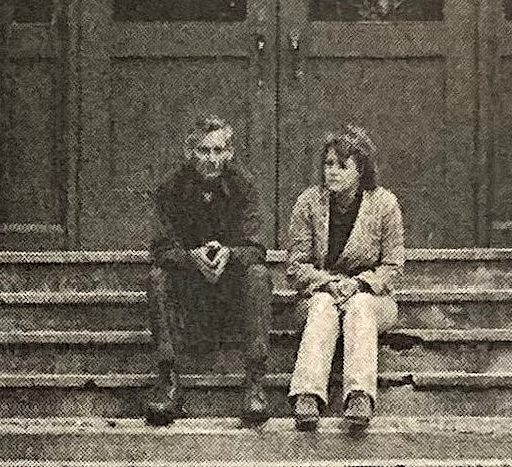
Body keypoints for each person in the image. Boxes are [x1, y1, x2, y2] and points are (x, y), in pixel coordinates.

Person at [145, 114, 273, 427]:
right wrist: (192, 258)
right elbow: (160, 248)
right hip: (190, 294)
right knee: (157, 278)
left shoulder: (244, 187)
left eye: (218, 151)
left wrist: (229, 254)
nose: (212, 160)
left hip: (230, 293)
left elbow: (257, 248)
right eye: (204, 151)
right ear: (190, 153)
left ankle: (254, 381)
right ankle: (169, 380)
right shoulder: (170, 189)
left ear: (229, 153)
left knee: (259, 275)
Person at [286, 125, 406, 433]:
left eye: (342, 166)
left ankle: (359, 395)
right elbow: (296, 266)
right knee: (324, 305)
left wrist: (360, 284)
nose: (333, 172)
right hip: (319, 296)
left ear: (361, 169)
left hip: (372, 298)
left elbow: (393, 266)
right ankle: (308, 395)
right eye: (328, 165)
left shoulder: (384, 205)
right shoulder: (309, 203)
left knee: (360, 306)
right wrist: (327, 282)